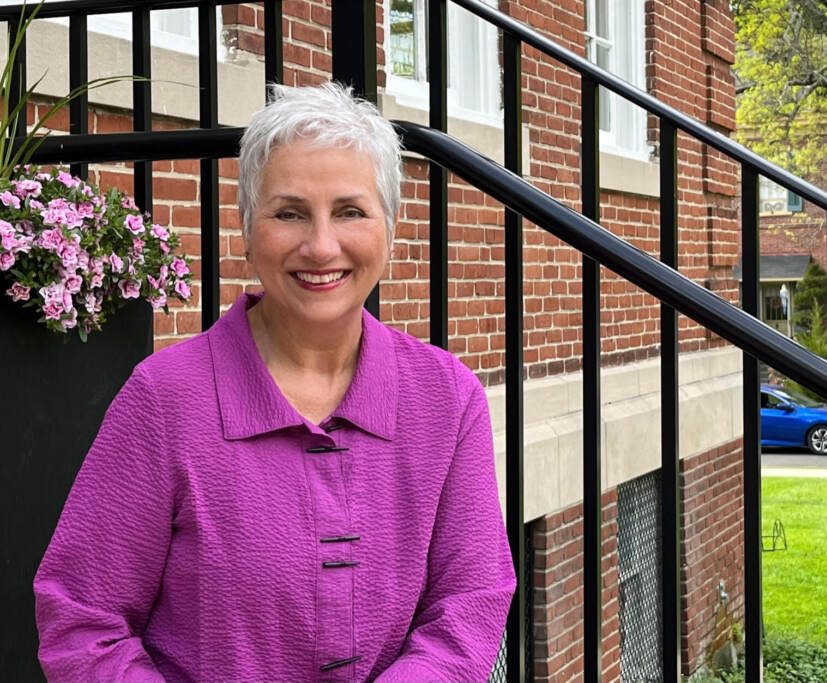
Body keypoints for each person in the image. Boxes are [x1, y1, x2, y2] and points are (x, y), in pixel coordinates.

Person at [34, 82, 516, 683]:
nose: (320, 245)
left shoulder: (448, 398)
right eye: (288, 213)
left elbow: (468, 607)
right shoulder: (165, 398)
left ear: (390, 228)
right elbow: (84, 621)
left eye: (350, 211)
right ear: (246, 229)